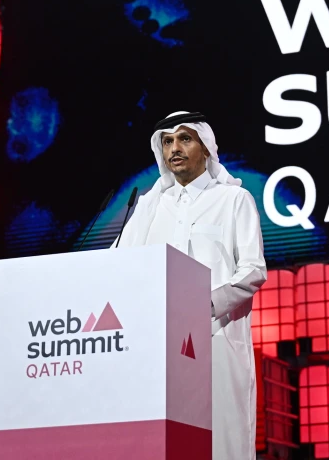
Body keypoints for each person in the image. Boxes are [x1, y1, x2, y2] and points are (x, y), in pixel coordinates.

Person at [112, 111, 267, 459]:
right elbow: (119, 265)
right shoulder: (150, 208)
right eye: (167, 141)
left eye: (185, 138)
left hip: (217, 338)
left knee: (221, 440)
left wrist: (206, 305)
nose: (174, 148)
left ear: (206, 147)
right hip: (157, 345)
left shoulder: (233, 200)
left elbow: (253, 269)